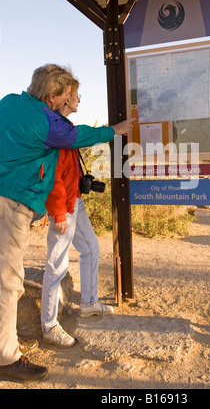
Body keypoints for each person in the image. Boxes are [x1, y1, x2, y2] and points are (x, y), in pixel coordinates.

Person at [0, 64, 133, 382]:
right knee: (9, 282)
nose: (73, 99)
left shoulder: (8, 102)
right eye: (69, 94)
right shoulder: (51, 126)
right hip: (12, 203)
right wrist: (116, 129)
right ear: (53, 95)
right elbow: (78, 136)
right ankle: (7, 357)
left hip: (10, 194)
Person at [41, 89, 113, 348]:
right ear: (60, 97)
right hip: (64, 206)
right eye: (75, 95)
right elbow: (53, 176)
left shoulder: (65, 127)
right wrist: (59, 212)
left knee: (92, 248)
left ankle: (88, 303)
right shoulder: (54, 130)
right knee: (56, 265)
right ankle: (49, 325)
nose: (79, 100)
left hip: (76, 202)